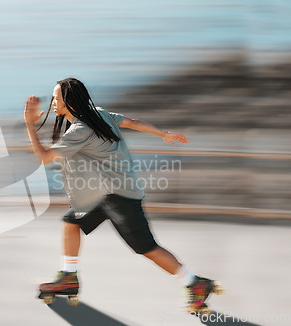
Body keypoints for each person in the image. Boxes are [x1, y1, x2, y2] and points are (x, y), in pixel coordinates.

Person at [23, 77, 222, 315]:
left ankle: (196, 284)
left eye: (57, 97)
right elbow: (133, 122)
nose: (54, 101)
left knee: (147, 248)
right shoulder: (98, 114)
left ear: (69, 100)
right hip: (105, 194)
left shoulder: (80, 129)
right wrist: (162, 133)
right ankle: (69, 276)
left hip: (118, 197)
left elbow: (44, 157)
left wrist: (29, 125)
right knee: (70, 222)